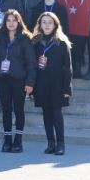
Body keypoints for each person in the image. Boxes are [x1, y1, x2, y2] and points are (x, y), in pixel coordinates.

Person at [0, 10, 36, 153]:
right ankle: (7, 139)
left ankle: (18, 141)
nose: (11, 23)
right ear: (5, 22)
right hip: (3, 79)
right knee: (6, 110)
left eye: (14, 20)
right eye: (8, 20)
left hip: (19, 80)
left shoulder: (26, 38)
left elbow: (31, 63)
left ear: (19, 21)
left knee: (19, 110)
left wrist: (30, 82)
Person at [32, 12, 73, 155]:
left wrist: (67, 87)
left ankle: (60, 143)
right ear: (40, 25)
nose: (47, 25)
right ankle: (50, 142)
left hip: (57, 84)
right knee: (46, 113)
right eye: (44, 22)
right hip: (41, 83)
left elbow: (67, 67)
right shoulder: (35, 42)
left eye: (50, 22)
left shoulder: (61, 42)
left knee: (56, 113)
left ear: (55, 24)